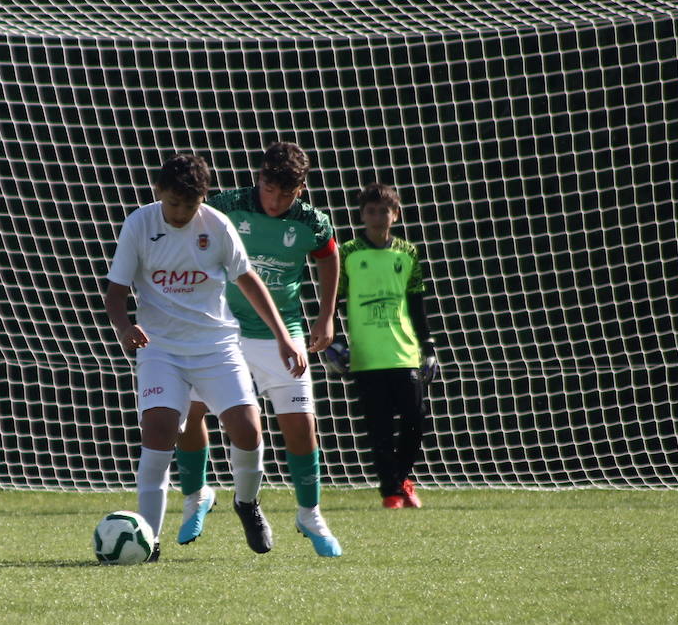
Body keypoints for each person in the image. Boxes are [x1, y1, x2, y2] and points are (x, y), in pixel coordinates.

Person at [104, 153, 307, 560]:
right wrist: (125, 328)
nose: (180, 213)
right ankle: (149, 540)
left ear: (203, 199)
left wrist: (283, 338)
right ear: (158, 192)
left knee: (248, 429)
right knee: (158, 432)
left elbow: (248, 280)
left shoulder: (217, 226)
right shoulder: (139, 224)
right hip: (160, 348)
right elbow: (116, 292)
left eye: (190, 205)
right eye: (173, 203)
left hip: (216, 345)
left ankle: (246, 504)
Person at [173, 141, 342, 557]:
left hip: (281, 332)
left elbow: (328, 257)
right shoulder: (229, 204)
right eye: (269, 188)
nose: (274, 199)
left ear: (299, 190)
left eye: (285, 193)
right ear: (259, 177)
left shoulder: (312, 222)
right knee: (189, 412)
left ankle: (309, 512)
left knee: (301, 426)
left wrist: (326, 315)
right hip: (219, 332)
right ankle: (196, 497)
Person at [335, 182, 438, 508]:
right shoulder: (348, 252)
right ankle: (391, 491)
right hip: (366, 356)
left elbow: (416, 300)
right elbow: (333, 299)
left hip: (404, 352)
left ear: (396, 214)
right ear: (362, 214)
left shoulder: (407, 253)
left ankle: (402, 479)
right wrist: (335, 342)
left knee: (415, 419)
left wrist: (429, 346)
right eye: (370, 210)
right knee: (378, 428)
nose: (377, 216)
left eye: (384, 211)